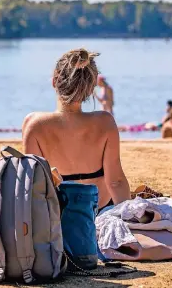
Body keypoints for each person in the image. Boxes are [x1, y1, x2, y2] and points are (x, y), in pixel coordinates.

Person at [22, 48, 130, 211]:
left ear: (54, 82)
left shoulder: (34, 125)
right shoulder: (105, 122)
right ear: (90, 88)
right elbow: (116, 182)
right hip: (97, 212)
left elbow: (32, 184)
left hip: (56, 217)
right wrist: (129, 219)